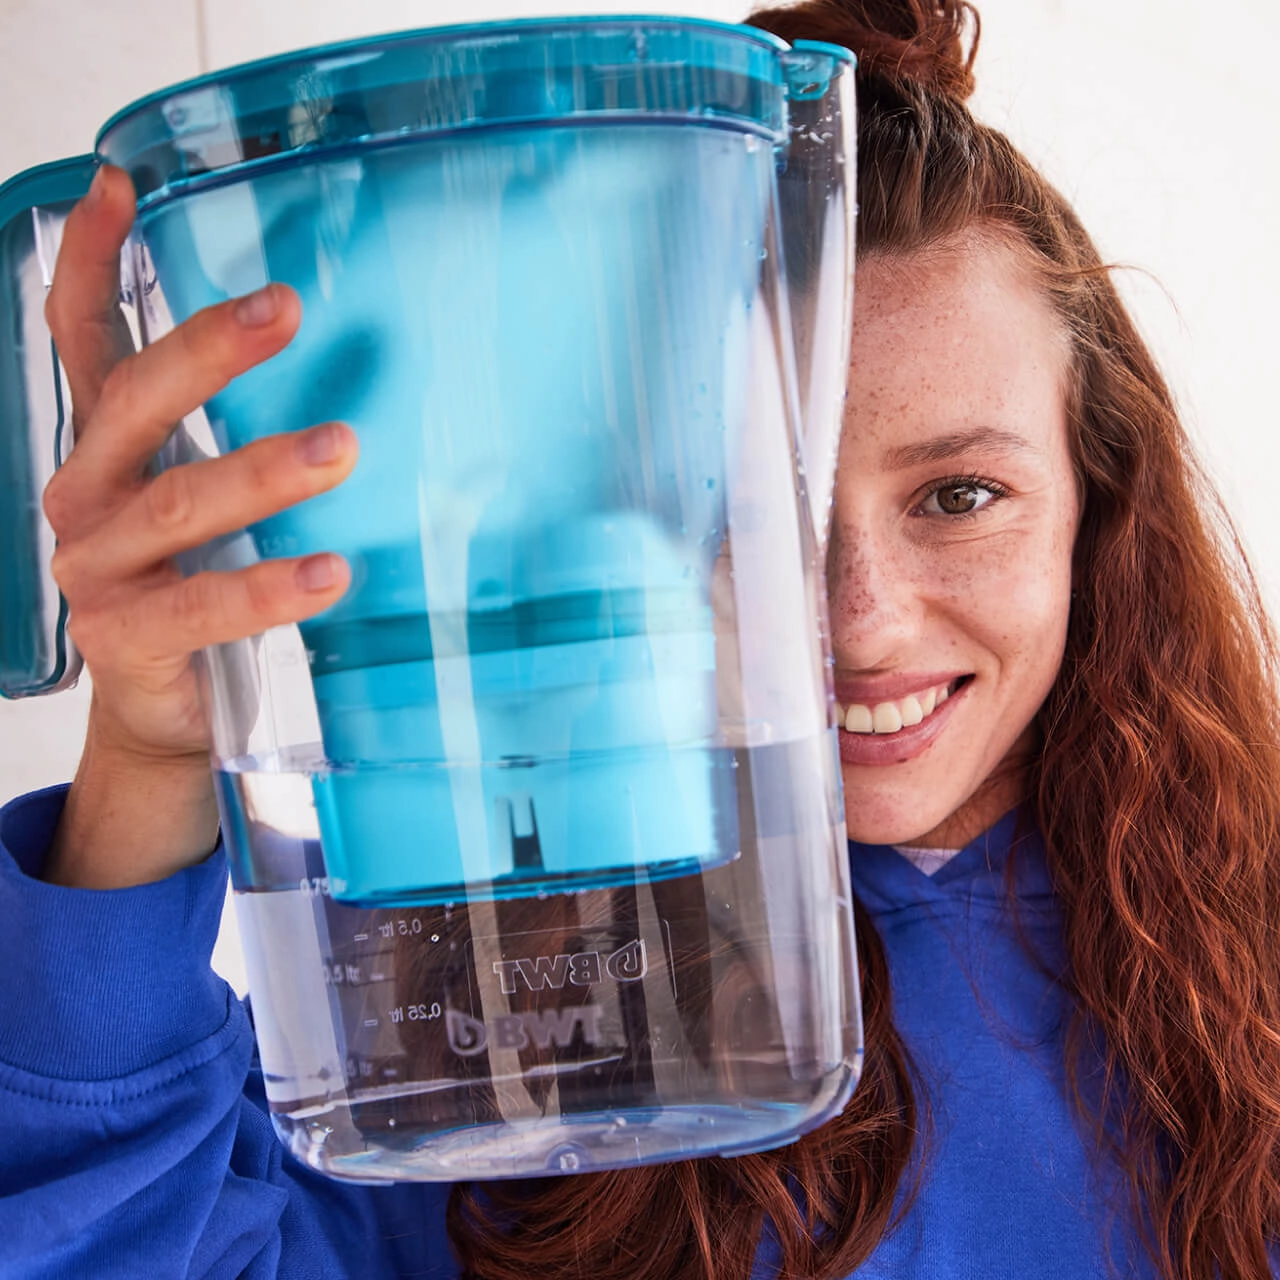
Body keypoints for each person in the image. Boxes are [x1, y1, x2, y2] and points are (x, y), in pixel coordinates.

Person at [1, 1, 1278, 1277]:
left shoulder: (1244, 980)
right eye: (735, 511)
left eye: (957, 496)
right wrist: (154, 760)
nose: (856, 617)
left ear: (1094, 499)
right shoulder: (484, 1045)